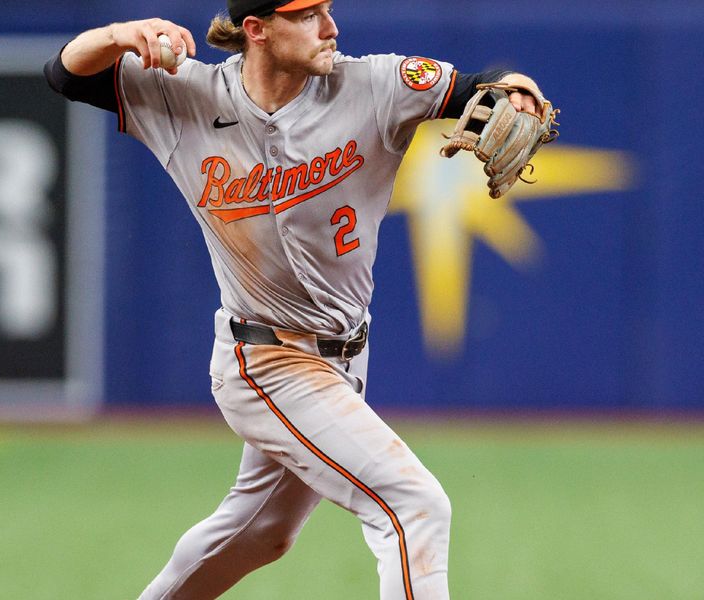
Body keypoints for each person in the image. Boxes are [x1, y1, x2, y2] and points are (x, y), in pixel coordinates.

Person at [45, 1, 548, 598]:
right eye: (308, 15)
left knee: (262, 533)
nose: (330, 27)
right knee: (414, 505)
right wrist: (117, 34)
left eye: (327, 9)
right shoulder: (186, 97)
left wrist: (515, 92)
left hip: (342, 358)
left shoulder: (376, 84)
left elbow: (478, 90)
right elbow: (66, 75)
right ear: (256, 30)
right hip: (263, 359)